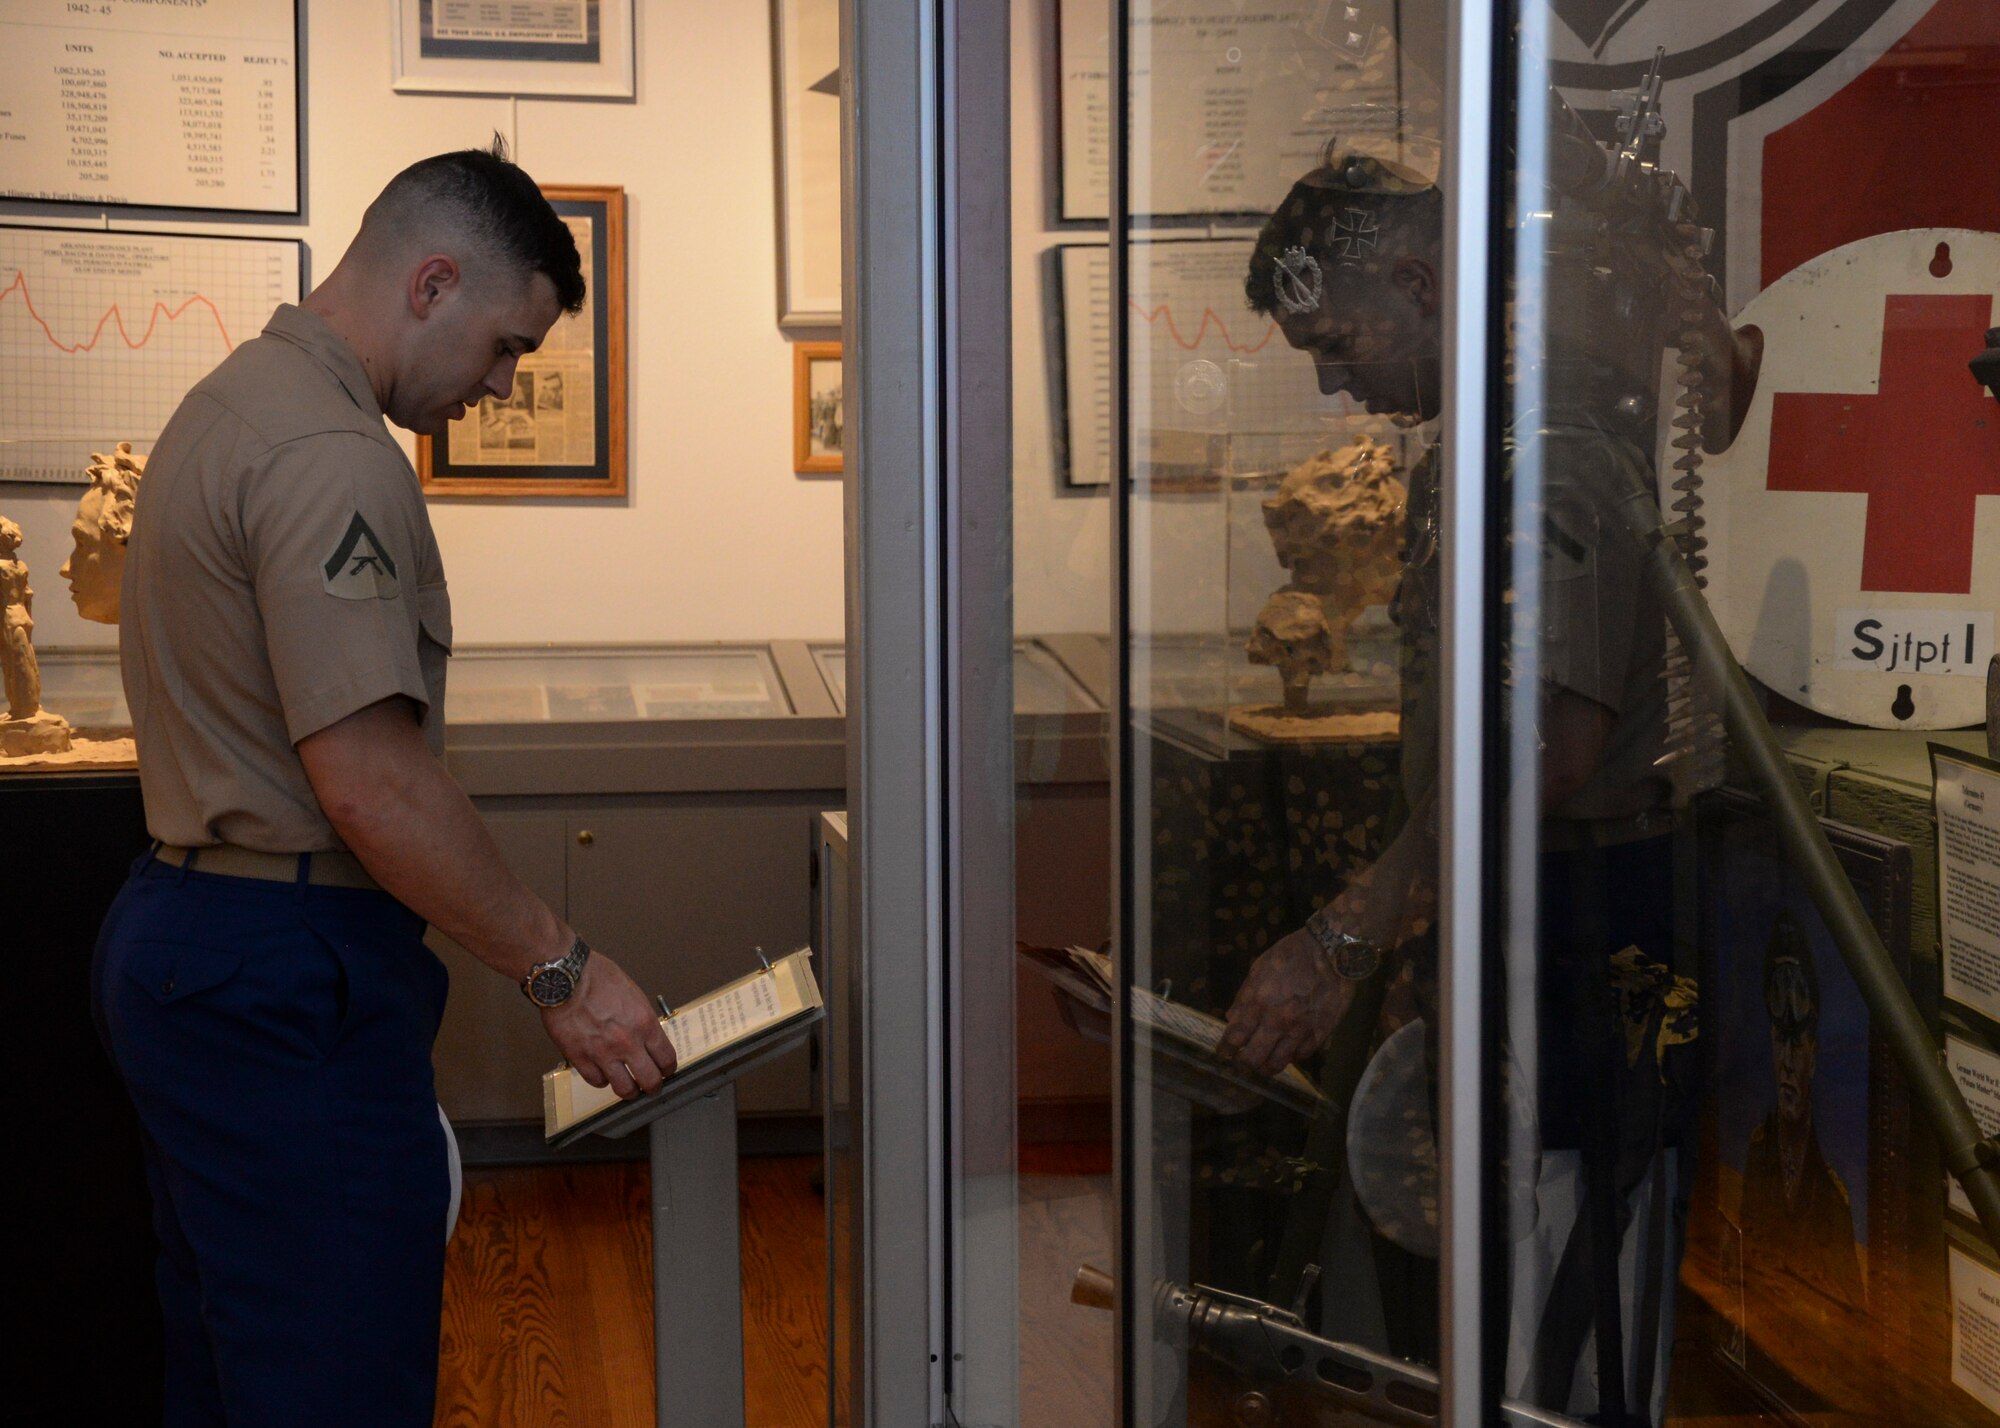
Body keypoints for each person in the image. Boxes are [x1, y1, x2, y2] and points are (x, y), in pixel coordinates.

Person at [92, 142, 676, 1428]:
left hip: (194, 935)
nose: (501, 384)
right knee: (332, 1378)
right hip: (280, 969)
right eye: (505, 345)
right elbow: (367, 781)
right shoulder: (331, 453)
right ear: (430, 284)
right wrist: (563, 970)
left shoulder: (230, 401)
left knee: (234, 1363)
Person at [1217, 148, 1727, 1425]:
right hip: (1514, 908)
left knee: (1568, 1311)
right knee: (1502, 1297)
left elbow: (1543, 750)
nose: (1338, 384)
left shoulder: (1548, 449)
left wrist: (1349, 932)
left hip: (1585, 914)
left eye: (1339, 341)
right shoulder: (1477, 443)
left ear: (1418, 278)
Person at [1738, 912, 1865, 1314]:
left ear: (1814, 1056)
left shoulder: (1832, 1199)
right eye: (1780, 1041)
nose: (1787, 1063)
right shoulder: (1757, 1158)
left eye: (1798, 1045)